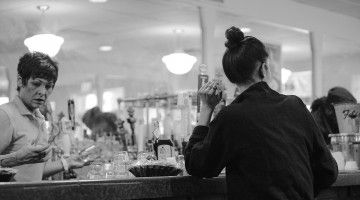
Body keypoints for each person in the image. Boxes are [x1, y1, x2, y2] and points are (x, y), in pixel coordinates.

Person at [185, 26, 338, 200]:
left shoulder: (231, 116)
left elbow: (196, 165)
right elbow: (328, 171)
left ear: (231, 77)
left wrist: (206, 108)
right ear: (263, 68)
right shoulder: (295, 105)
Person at [0, 52, 90, 182]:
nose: (42, 92)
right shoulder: (6, 115)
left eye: (48, 86)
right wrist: (17, 158)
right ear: (20, 81)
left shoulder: (39, 118)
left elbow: (35, 172)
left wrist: (67, 163)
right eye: (36, 84)